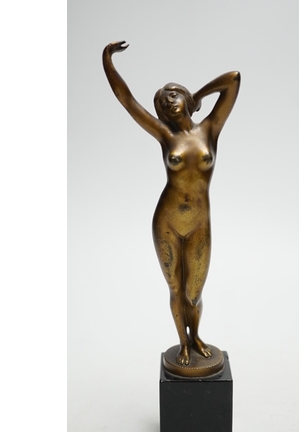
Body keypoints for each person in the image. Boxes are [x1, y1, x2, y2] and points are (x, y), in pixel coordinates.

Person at [103, 41, 240, 366]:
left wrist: (198, 97)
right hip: (166, 221)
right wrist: (107, 60)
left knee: (194, 292)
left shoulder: (210, 129)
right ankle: (183, 344)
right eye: (162, 102)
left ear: (185, 98)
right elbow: (127, 100)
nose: (168, 101)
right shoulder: (165, 135)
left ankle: (196, 336)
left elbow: (233, 80)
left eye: (174, 95)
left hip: (199, 223)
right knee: (176, 289)